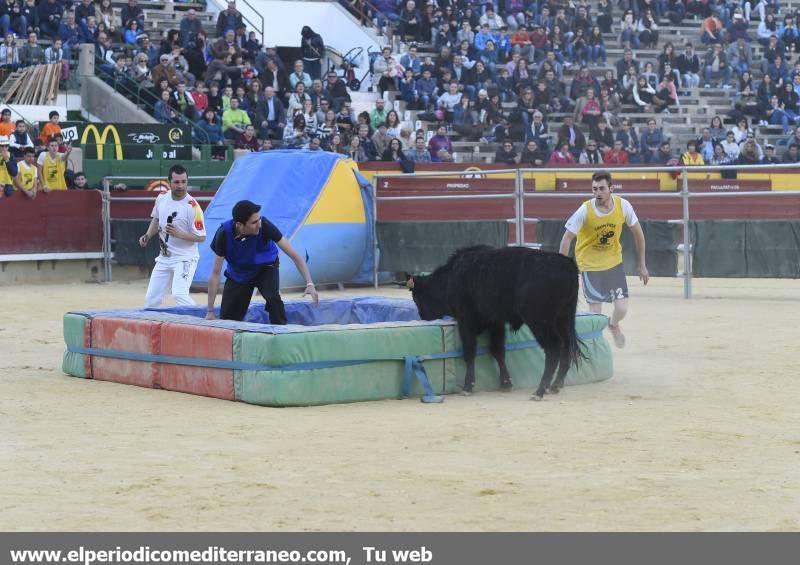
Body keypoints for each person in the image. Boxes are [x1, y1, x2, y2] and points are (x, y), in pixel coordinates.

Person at [558, 170, 649, 349]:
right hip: (590, 266)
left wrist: (642, 264)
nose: (597, 193)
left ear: (611, 189)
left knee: (622, 309)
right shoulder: (585, 209)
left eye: (601, 189)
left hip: (613, 264)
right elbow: (567, 238)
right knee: (595, 313)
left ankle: (613, 325)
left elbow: (639, 234)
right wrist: (562, 268)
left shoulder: (623, 206)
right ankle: (594, 351)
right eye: (594, 189)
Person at [205, 199, 319, 322]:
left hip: (266, 267)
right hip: (239, 273)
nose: (259, 224)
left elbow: (294, 255)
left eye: (259, 219)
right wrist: (210, 311)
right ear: (239, 225)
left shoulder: (265, 226)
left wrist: (310, 283)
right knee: (228, 318)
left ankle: (280, 331)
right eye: (254, 222)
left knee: (273, 297)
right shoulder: (223, 234)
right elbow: (215, 273)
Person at [138, 165, 206, 308]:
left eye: (184, 182)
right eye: (176, 182)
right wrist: (148, 235)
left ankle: (200, 322)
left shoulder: (193, 207)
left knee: (179, 295)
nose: (180, 186)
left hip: (185, 258)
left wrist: (179, 234)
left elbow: (201, 237)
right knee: (151, 300)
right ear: (169, 182)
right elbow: (157, 219)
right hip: (164, 258)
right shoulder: (162, 198)